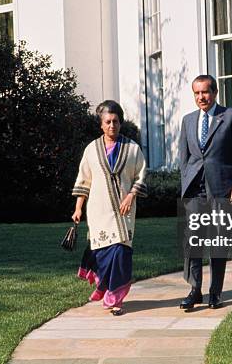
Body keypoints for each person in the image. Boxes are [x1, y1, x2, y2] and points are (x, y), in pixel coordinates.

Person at [179, 74, 232, 309]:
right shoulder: (188, 121)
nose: (201, 97)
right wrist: (185, 186)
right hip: (195, 191)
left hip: (222, 189)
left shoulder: (230, 116)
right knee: (193, 241)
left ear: (215, 92)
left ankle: (215, 291)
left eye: (205, 92)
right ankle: (195, 290)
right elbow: (184, 159)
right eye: (197, 93)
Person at [71, 100, 147, 316]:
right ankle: (103, 285)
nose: (112, 125)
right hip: (98, 211)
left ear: (120, 123)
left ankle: (115, 298)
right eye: (108, 122)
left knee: (121, 253)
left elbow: (140, 175)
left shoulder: (132, 149)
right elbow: (83, 181)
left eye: (115, 121)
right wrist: (78, 209)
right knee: (103, 254)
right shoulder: (91, 150)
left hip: (124, 211)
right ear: (101, 125)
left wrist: (131, 196)